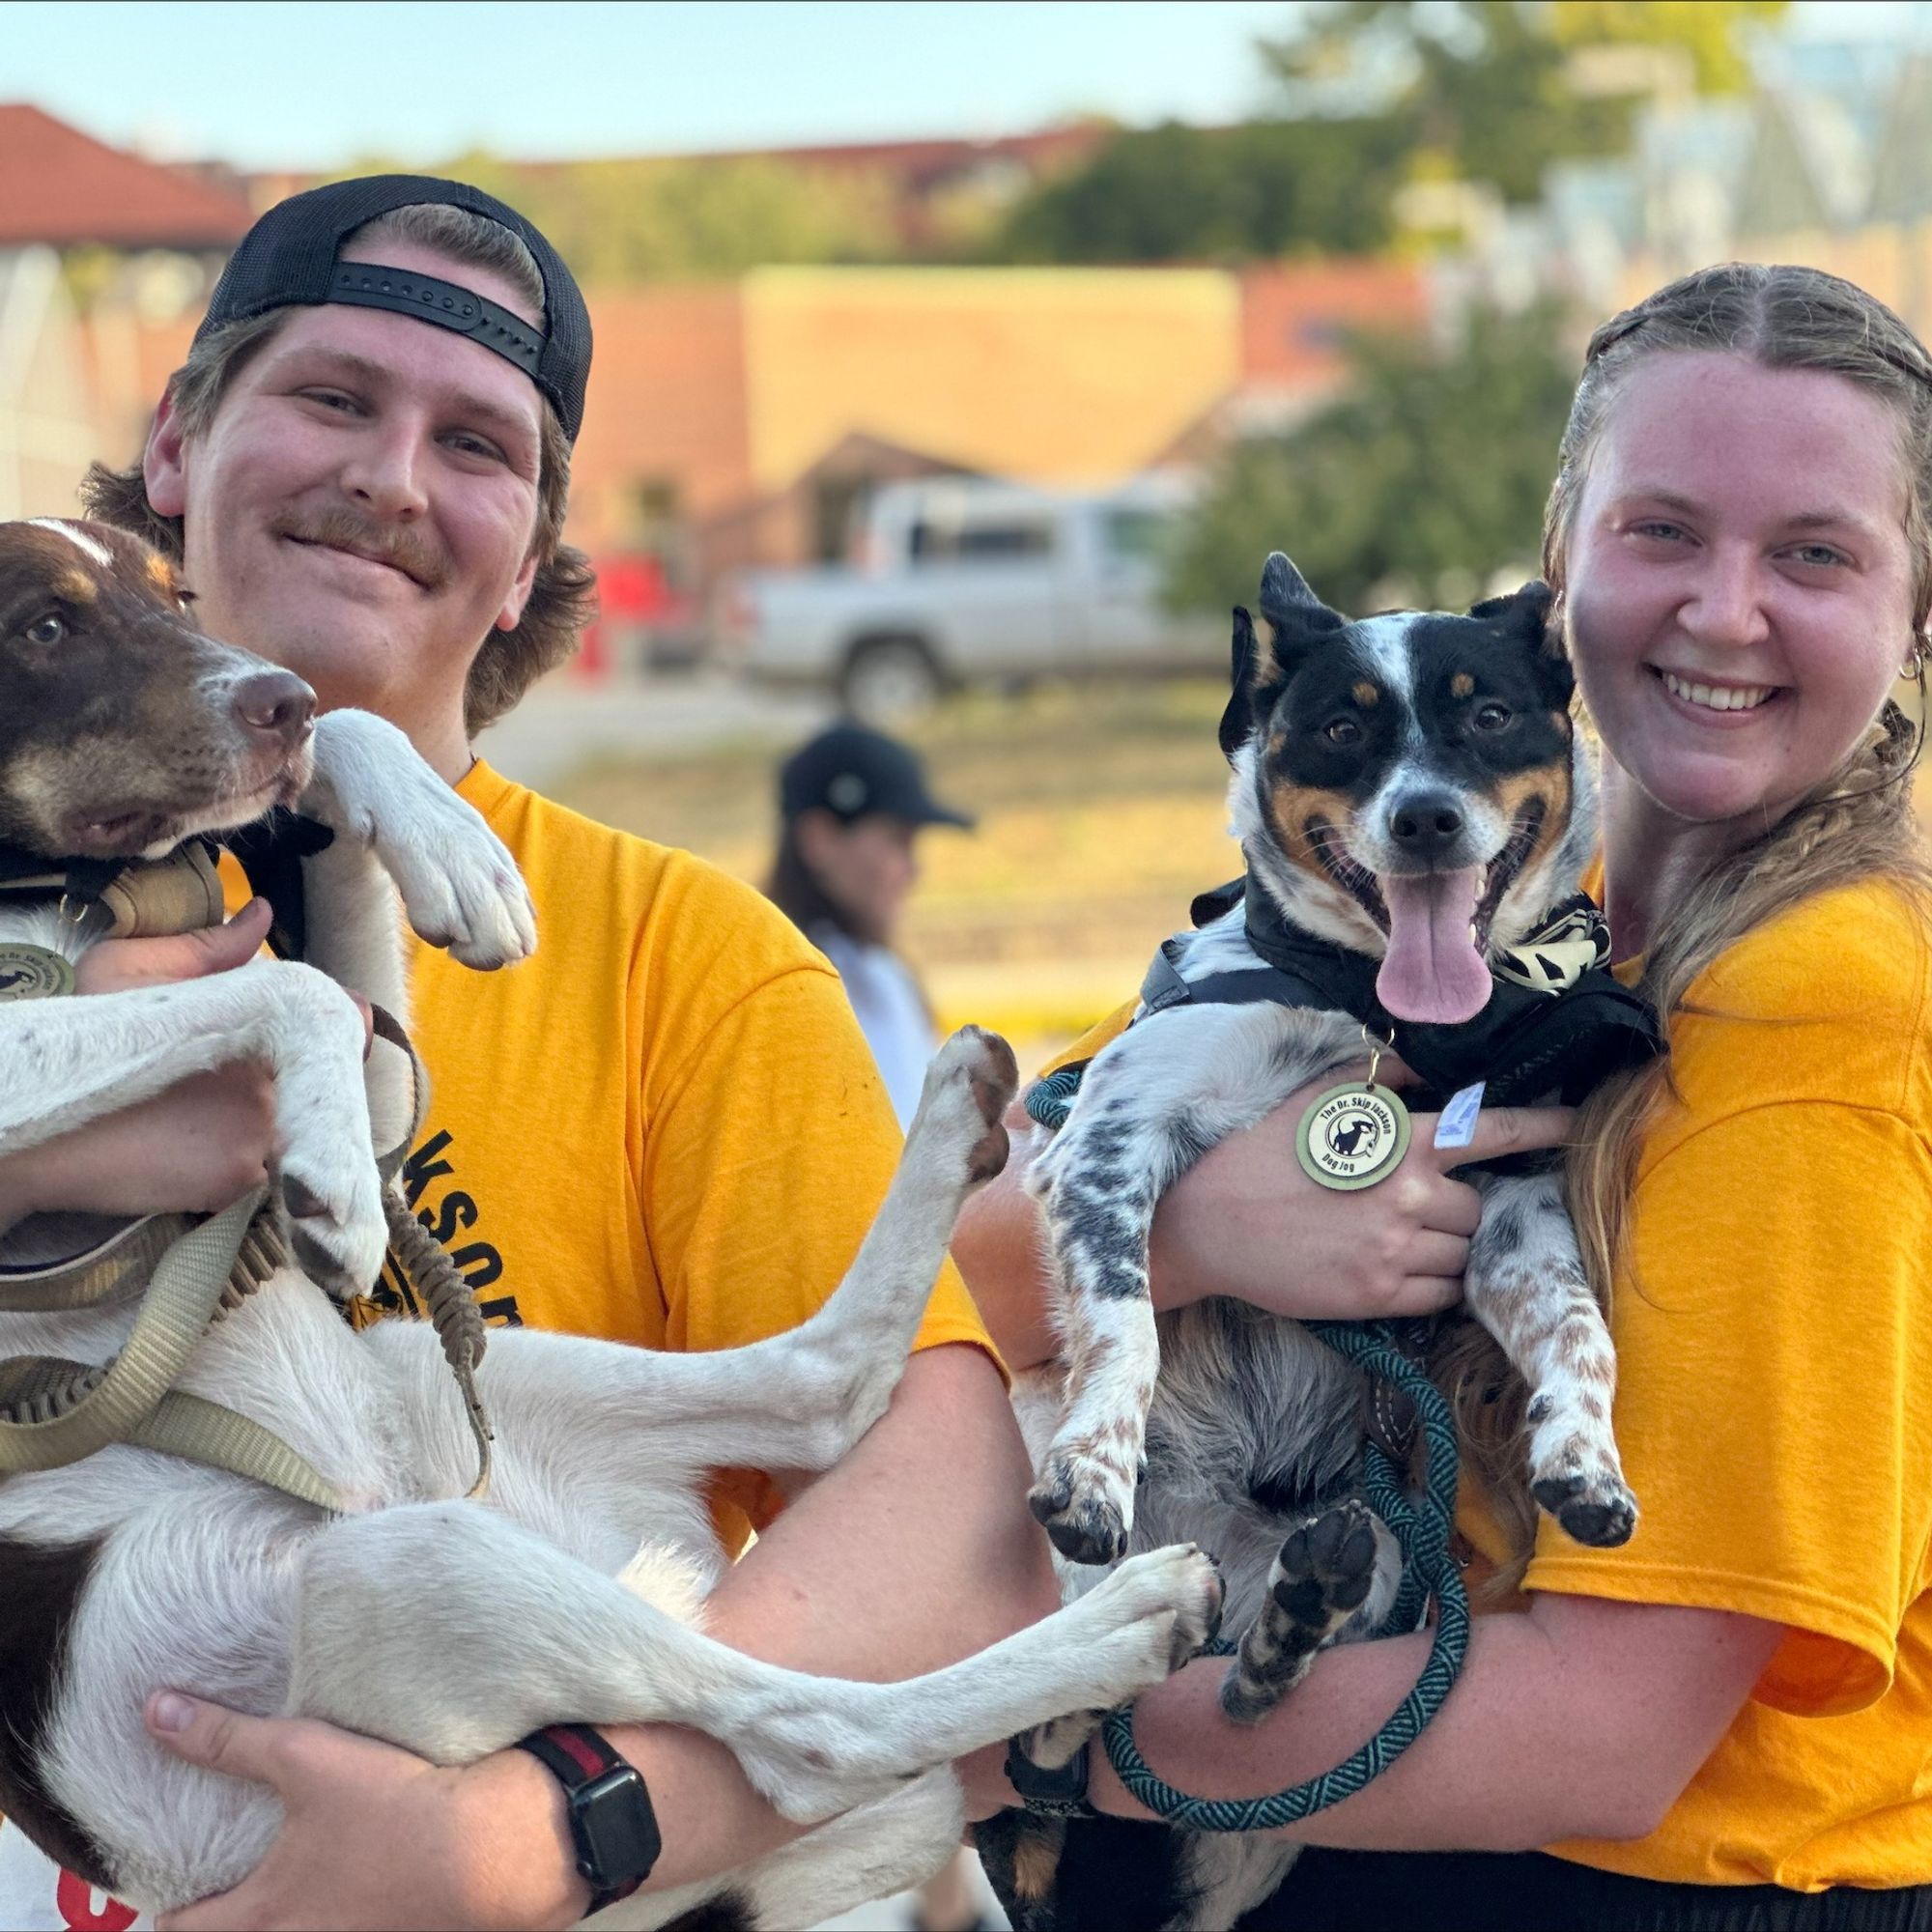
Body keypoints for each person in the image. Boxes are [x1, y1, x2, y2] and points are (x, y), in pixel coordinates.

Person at [0, 176, 1057, 1932]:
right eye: (335, 399)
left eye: (478, 443)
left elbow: (949, 1528)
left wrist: (548, 1833)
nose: (393, 477)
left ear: (528, 573)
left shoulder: (683, 960)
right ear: (179, 444)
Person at [952, 261, 1932, 1928]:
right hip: (1364, 1793)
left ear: (1919, 607)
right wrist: (1194, 1229)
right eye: (1665, 531)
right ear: (1559, 568)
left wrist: (976, 1745)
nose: (1723, 609)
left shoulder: (1820, 1006)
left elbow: (1608, 1736)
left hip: (1625, 1880)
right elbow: (973, 1266)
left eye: (1815, 554)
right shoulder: (1501, 937)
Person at [768, 722, 974, 1128]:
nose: (914, 869)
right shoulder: (781, 988)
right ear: (821, 839)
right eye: (899, 841)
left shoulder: (885, 973)